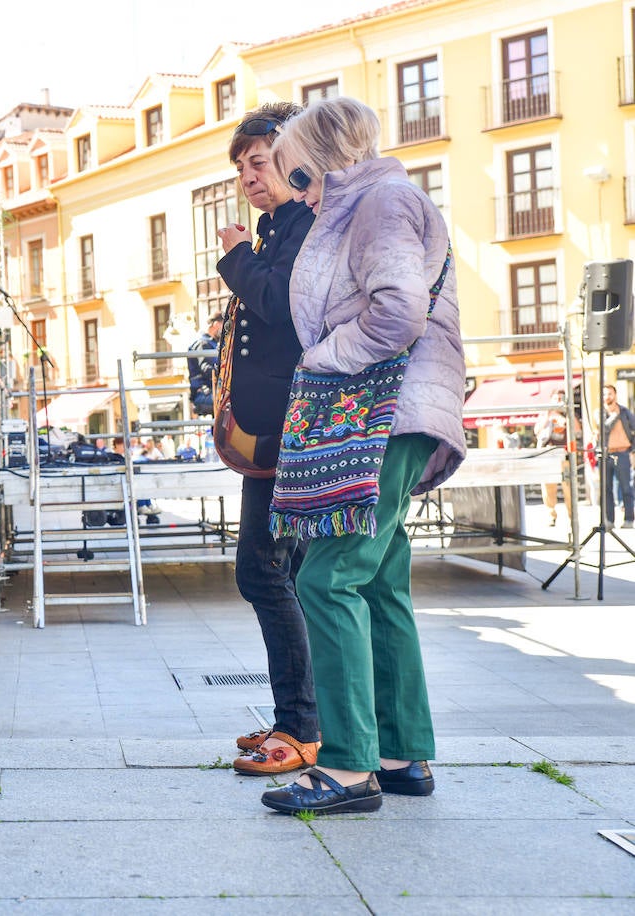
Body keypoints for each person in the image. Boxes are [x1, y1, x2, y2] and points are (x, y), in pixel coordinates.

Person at [260, 96, 465, 815]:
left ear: (321, 161)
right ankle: (404, 753)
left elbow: (398, 311)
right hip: (394, 413)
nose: (299, 195)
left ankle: (347, 769)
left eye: (297, 178)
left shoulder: (381, 201)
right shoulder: (376, 201)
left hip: (384, 411)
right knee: (379, 580)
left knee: (328, 577)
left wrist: (322, 356)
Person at [213, 102, 321, 777]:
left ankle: (303, 726)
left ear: (292, 161)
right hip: (272, 434)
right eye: (243, 166)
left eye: (261, 161)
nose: (251, 175)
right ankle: (304, 719)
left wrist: (233, 258)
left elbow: (279, 305)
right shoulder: (277, 228)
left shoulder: (305, 226)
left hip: (292, 430)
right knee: (288, 575)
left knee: (264, 572)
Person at [535, 395, 577, 527]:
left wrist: (567, 416)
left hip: (564, 455)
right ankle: (551, 515)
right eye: (556, 399)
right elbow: (537, 431)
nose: (558, 401)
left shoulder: (568, 414)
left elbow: (577, 429)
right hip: (548, 455)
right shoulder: (545, 415)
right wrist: (549, 414)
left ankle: (572, 516)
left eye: (561, 398)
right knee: (548, 488)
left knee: (569, 488)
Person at [601, 384, 635, 529]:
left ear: (615, 395)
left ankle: (628, 519)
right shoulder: (600, 413)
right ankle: (609, 521)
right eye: (604, 394)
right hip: (605, 454)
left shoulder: (625, 412)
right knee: (606, 489)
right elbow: (605, 428)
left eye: (610, 393)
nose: (607, 396)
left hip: (623, 453)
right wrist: (614, 416)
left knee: (626, 488)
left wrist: (633, 451)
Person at [187, 315, 222, 416]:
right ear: (216, 324)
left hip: (211, 391)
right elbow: (206, 369)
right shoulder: (203, 343)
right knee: (230, 403)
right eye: (223, 324)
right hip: (204, 393)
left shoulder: (213, 344)